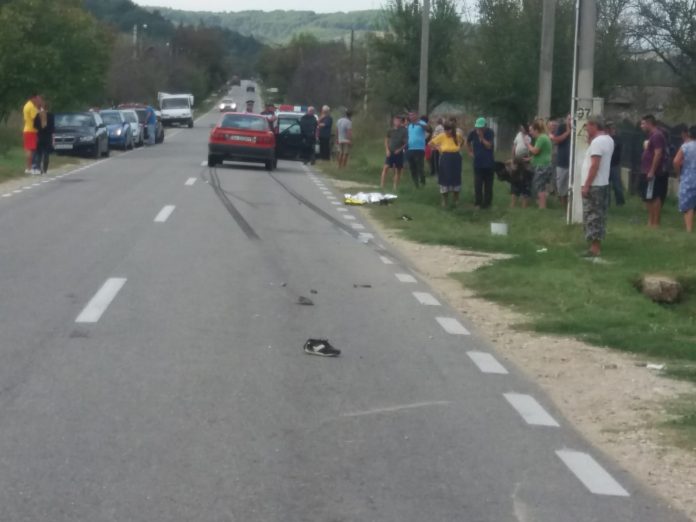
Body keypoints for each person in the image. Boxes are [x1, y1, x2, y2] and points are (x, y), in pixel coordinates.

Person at [580, 116, 614, 257]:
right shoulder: (608, 139)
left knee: (592, 216)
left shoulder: (597, 142)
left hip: (594, 185)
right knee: (599, 215)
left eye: (587, 125)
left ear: (594, 125)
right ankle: (594, 245)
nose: (586, 129)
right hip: (603, 183)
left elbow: (594, 165)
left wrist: (586, 185)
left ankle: (594, 248)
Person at [639, 114, 668, 228]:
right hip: (647, 170)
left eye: (643, 123)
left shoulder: (657, 135)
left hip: (654, 172)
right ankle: (650, 222)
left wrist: (652, 170)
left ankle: (655, 223)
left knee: (654, 196)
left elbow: (658, 153)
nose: (641, 126)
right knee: (648, 197)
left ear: (649, 123)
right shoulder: (651, 136)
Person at [429, 121, 463, 207]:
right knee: (445, 178)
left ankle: (456, 199)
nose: (446, 132)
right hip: (445, 158)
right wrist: (438, 148)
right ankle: (444, 200)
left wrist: (459, 148)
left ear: (452, 130)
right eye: (445, 130)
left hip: (456, 158)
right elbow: (430, 143)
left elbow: (462, 141)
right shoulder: (442, 136)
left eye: (448, 130)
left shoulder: (458, 135)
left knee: (456, 178)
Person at [466, 117, 495, 209]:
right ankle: (478, 203)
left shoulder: (490, 132)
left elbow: (489, 146)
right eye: (478, 127)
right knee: (478, 184)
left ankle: (487, 204)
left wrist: (482, 138)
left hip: (489, 163)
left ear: (485, 126)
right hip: (478, 163)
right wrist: (470, 152)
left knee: (488, 185)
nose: (479, 129)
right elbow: (468, 141)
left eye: (481, 127)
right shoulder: (473, 132)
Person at [673, 125, 696, 232]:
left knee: (688, 206)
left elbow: (676, 161)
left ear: (689, 134)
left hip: (688, 178)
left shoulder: (685, 146)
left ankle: (689, 229)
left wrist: (678, 174)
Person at [528, 119, 553, 209]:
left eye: (532, 130)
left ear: (536, 130)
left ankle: (542, 207)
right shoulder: (544, 137)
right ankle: (541, 205)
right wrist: (530, 159)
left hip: (542, 166)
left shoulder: (541, 138)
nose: (531, 133)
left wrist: (528, 145)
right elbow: (542, 153)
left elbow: (535, 151)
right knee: (541, 186)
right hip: (545, 165)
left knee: (540, 187)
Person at [381, 115, 408, 191]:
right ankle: (382, 185)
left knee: (398, 169)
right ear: (394, 121)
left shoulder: (404, 131)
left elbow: (406, 143)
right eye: (396, 120)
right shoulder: (390, 130)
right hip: (390, 151)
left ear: (401, 122)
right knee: (386, 168)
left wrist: (400, 149)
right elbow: (386, 140)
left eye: (399, 121)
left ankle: (395, 187)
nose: (397, 122)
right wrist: (387, 150)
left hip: (398, 152)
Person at [550, 114, 572, 208]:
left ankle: (571, 208)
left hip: (573, 164)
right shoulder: (561, 127)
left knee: (571, 188)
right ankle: (564, 208)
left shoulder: (579, 128)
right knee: (561, 187)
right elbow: (556, 140)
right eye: (569, 119)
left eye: (571, 119)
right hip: (562, 162)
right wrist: (567, 132)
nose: (570, 121)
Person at [406, 111, 428, 187]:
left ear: (416, 115)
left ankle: (422, 182)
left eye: (413, 115)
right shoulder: (409, 125)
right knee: (412, 167)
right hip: (410, 148)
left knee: (420, 167)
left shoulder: (422, 123)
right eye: (410, 115)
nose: (411, 117)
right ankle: (416, 184)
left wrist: (419, 124)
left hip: (419, 149)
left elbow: (427, 128)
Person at [606, 121, 625, 206]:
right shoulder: (605, 138)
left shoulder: (617, 139)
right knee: (607, 186)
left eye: (613, 128)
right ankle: (607, 202)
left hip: (615, 165)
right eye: (610, 128)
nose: (611, 130)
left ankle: (620, 202)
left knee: (617, 185)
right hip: (606, 165)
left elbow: (613, 146)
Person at [33, 99, 54, 175]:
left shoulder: (38, 115)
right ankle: (45, 170)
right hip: (47, 137)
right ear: (48, 108)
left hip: (39, 136)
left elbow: (34, 126)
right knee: (46, 154)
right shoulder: (51, 116)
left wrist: (40, 128)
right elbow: (52, 128)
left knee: (39, 153)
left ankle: (39, 168)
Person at [23, 93, 41, 175]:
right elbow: (35, 119)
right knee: (32, 150)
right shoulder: (32, 107)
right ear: (33, 98)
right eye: (37, 99)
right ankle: (30, 167)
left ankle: (28, 167)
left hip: (27, 129)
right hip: (32, 131)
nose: (38, 100)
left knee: (28, 149)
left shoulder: (26, 105)